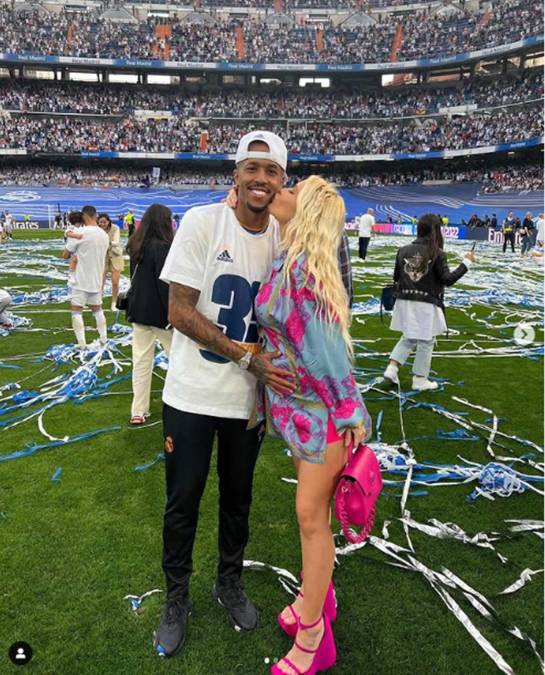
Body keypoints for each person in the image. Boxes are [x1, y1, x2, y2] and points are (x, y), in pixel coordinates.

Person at [154, 131, 295, 658]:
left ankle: (228, 583)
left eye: (271, 171)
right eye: (251, 168)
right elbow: (179, 311)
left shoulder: (285, 240)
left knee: (239, 502)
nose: (261, 179)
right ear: (234, 174)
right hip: (191, 396)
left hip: (247, 405)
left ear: (283, 180)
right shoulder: (201, 222)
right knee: (182, 503)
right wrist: (247, 356)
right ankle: (176, 599)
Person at [254, 176, 372, 675]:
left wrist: (349, 413)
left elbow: (327, 355)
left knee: (310, 519)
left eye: (293, 189)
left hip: (324, 416)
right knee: (310, 517)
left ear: (305, 212)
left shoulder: (304, 270)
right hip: (301, 415)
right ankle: (315, 602)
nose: (282, 187)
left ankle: (314, 639)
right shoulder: (287, 260)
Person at [383, 213, 476, 391]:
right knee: (426, 341)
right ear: (436, 231)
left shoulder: (403, 250)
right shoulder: (438, 253)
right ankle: (419, 379)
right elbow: (447, 279)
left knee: (409, 336)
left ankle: (391, 369)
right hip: (425, 303)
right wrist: (466, 263)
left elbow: (396, 277)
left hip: (404, 300)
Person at [126, 204, 174, 425]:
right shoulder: (163, 247)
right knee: (178, 361)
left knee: (141, 361)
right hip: (160, 314)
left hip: (138, 311)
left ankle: (138, 410)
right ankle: (177, 404)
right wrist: (173, 315)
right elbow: (164, 284)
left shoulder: (136, 244)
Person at [63, 205, 109, 350]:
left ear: (84, 216)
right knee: (97, 309)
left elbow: (65, 255)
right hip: (96, 278)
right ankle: (103, 340)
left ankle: (82, 344)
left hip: (80, 279)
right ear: (95, 216)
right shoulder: (104, 234)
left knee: (76, 310)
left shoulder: (79, 232)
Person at [98, 213, 125, 310]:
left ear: (108, 221)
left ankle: (114, 302)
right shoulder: (97, 229)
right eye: (100, 222)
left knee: (115, 282)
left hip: (115, 255)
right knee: (100, 281)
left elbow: (116, 241)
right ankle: (98, 301)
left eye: (104, 222)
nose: (102, 224)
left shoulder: (115, 228)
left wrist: (105, 242)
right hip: (103, 256)